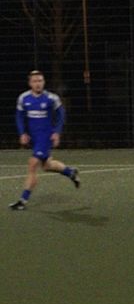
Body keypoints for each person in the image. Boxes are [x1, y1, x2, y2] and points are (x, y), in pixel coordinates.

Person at [10, 70, 80, 210]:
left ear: (44, 82)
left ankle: (23, 201)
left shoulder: (51, 98)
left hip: (45, 137)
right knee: (47, 166)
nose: (38, 84)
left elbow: (61, 114)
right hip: (34, 138)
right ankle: (70, 172)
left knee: (32, 164)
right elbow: (19, 116)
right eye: (35, 81)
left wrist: (57, 132)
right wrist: (22, 133)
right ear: (30, 83)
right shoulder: (23, 98)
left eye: (40, 81)